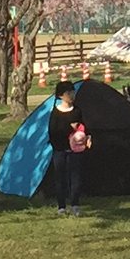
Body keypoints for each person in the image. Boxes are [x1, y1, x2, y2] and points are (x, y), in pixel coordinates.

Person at [47, 82, 87, 216]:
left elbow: (83, 128)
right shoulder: (56, 112)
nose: (72, 95)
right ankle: (61, 206)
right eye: (68, 93)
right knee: (60, 178)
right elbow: (53, 132)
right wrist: (70, 128)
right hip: (60, 150)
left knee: (76, 177)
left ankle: (75, 204)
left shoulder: (77, 110)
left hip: (76, 150)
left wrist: (84, 137)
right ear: (61, 96)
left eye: (73, 92)